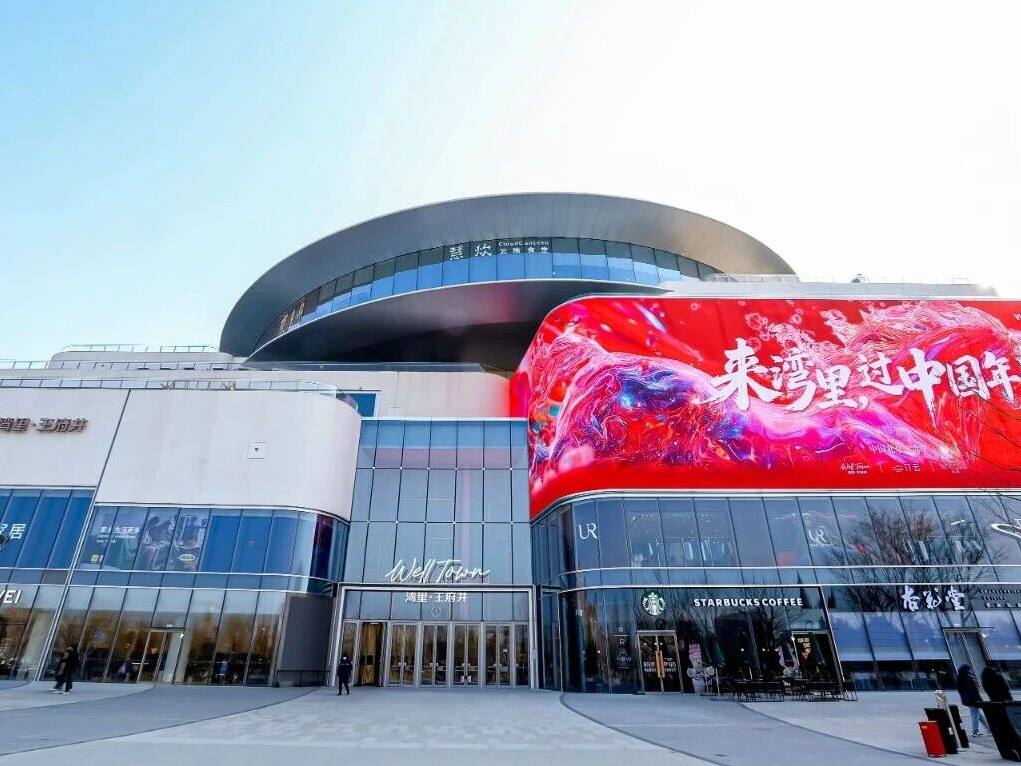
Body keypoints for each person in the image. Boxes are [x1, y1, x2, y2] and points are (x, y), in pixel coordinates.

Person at [957, 664, 988, 736]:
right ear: (966, 670)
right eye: (969, 669)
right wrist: (979, 700)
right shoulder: (968, 679)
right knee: (975, 715)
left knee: (978, 715)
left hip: (967, 700)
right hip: (973, 700)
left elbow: (961, 691)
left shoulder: (959, 679)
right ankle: (975, 731)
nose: (970, 670)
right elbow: (974, 691)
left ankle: (988, 729)